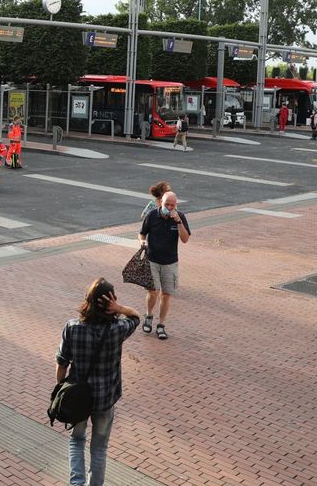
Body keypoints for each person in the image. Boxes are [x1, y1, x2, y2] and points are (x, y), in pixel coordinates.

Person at [55, 278, 139, 486]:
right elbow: (136, 316)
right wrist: (119, 308)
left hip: (78, 398)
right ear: (110, 303)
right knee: (99, 448)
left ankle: (77, 483)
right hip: (105, 399)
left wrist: (60, 386)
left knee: (76, 440)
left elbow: (62, 363)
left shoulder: (72, 327)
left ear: (88, 301)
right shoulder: (118, 328)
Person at [138, 188, 190, 340]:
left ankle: (161, 324)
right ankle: (148, 315)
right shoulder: (152, 215)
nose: (170, 208)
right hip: (152, 259)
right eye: (167, 204)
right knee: (153, 291)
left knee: (166, 295)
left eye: (173, 205)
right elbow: (142, 232)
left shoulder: (180, 217)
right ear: (161, 202)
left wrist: (178, 222)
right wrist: (142, 240)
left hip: (170, 262)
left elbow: (185, 239)